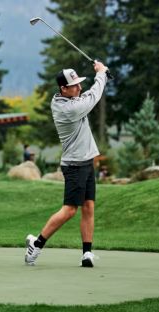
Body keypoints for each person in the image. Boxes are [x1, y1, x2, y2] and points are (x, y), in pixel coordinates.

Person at [25, 61, 108, 267]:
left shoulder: (68, 98)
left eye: (79, 84)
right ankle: (37, 243)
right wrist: (101, 73)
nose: (79, 88)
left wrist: (100, 74)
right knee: (70, 210)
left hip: (86, 162)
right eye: (75, 86)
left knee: (88, 207)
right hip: (74, 165)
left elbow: (87, 94)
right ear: (63, 89)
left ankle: (86, 253)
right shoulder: (68, 109)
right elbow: (94, 96)